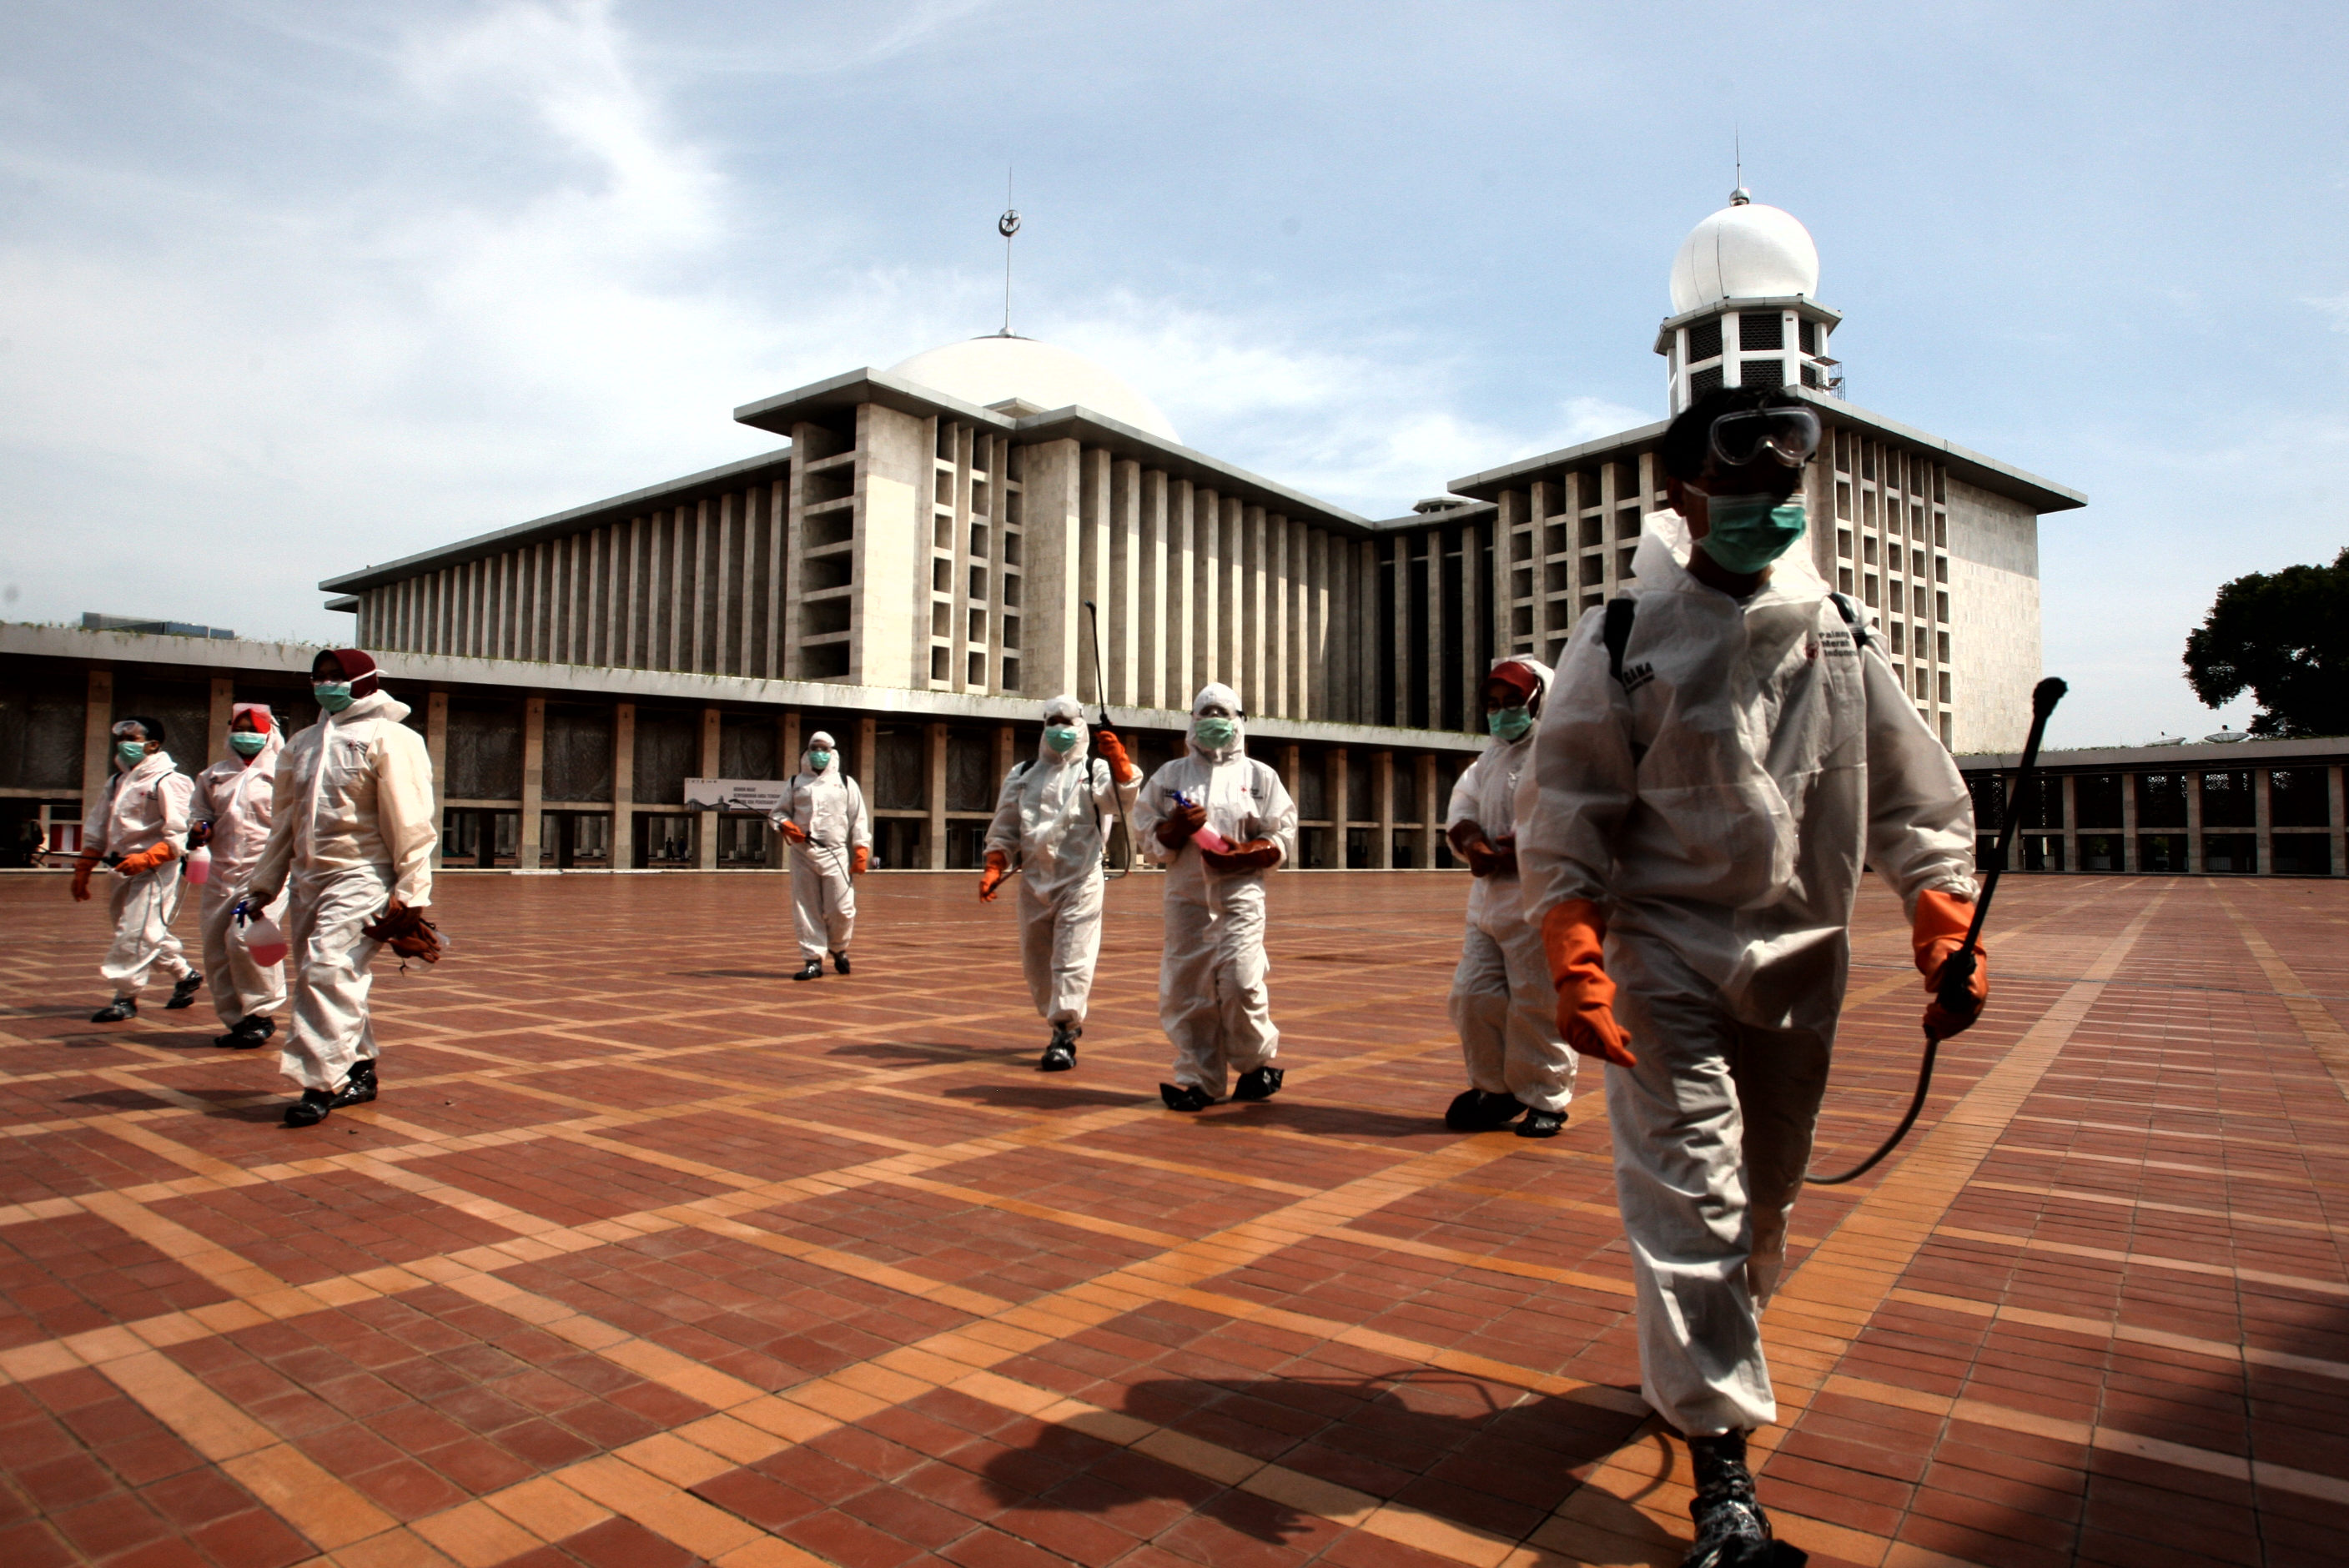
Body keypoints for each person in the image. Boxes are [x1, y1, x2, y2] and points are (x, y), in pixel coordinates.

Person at [1517, 386, 1985, 1568]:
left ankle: (1696, 1369)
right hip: (1664, 956)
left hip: (1803, 962)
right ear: (1680, 492)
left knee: (1764, 1198)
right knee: (1695, 1199)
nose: (1767, 509)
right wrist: (1576, 957)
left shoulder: (1839, 627)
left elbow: (1912, 793)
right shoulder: (1622, 634)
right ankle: (1724, 1481)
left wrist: (1940, 922)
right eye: (1741, 489)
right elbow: (1567, 799)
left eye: (1785, 491)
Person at [240, 650, 440, 1128]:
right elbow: (284, 821)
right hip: (311, 878)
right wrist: (264, 885)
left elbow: (411, 820)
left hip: (363, 873)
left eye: (338, 677)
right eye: (320, 677)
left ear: (367, 681)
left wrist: (413, 891)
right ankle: (360, 1067)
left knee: (327, 969)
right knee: (328, 974)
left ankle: (321, 1082)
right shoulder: (302, 744)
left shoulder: (393, 738)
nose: (327, 684)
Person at [1129, 684, 1298, 1111]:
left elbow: (1281, 833)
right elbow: (1146, 833)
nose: (1215, 720)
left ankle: (1256, 1062)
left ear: (1240, 720)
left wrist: (1245, 853)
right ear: (1192, 722)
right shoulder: (1170, 777)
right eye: (1206, 712)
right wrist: (1176, 828)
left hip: (1240, 895)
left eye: (1223, 712)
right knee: (1189, 989)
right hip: (1186, 898)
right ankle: (1198, 1080)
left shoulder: (1261, 777)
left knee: (1241, 983)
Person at [1442, 656, 1575, 1138]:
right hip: (1488, 903)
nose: (1502, 713)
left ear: (1539, 700)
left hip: (1541, 903)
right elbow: (1462, 808)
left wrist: (1529, 849)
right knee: (1473, 996)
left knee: (1536, 1003)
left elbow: (1574, 816)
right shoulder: (1489, 760)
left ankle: (1545, 1097)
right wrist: (1473, 843)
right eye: (1494, 705)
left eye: (1514, 702)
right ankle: (1495, 1090)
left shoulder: (1561, 753)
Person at [979, 695, 1141, 1071]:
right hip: (1033, 883)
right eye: (1052, 721)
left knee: (1072, 958)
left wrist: (1118, 760)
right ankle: (1055, 1015)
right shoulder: (1023, 773)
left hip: (1080, 880)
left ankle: (1064, 1032)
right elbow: (1005, 825)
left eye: (1068, 722)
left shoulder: (1093, 768)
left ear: (1082, 725)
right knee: (1037, 963)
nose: (1060, 729)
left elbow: (1119, 803)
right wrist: (993, 865)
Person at [72, 716, 200, 1022]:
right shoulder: (117, 782)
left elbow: (180, 832)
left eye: (132, 738)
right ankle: (185, 974)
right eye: (122, 738)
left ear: (153, 745)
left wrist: (149, 857)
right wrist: (84, 868)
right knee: (138, 929)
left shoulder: (169, 781)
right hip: (120, 868)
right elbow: (98, 826)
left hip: (155, 871)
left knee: (137, 932)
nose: (124, 744)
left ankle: (125, 996)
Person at [188, 704, 286, 1048]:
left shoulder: (284, 773)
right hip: (221, 872)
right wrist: (200, 827)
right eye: (239, 728)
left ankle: (262, 1013)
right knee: (217, 949)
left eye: (254, 729)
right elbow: (201, 812)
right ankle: (237, 1019)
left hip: (265, 871)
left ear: (269, 733)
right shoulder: (213, 776)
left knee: (245, 940)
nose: (245, 735)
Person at [769, 729, 869, 982]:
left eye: (825, 749)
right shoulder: (795, 783)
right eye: (815, 749)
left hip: (835, 852)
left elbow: (859, 818)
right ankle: (813, 959)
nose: (819, 754)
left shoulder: (845, 783)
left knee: (842, 909)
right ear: (807, 751)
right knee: (806, 908)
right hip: (803, 853)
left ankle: (838, 948)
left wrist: (861, 848)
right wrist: (787, 826)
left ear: (832, 752)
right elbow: (778, 813)